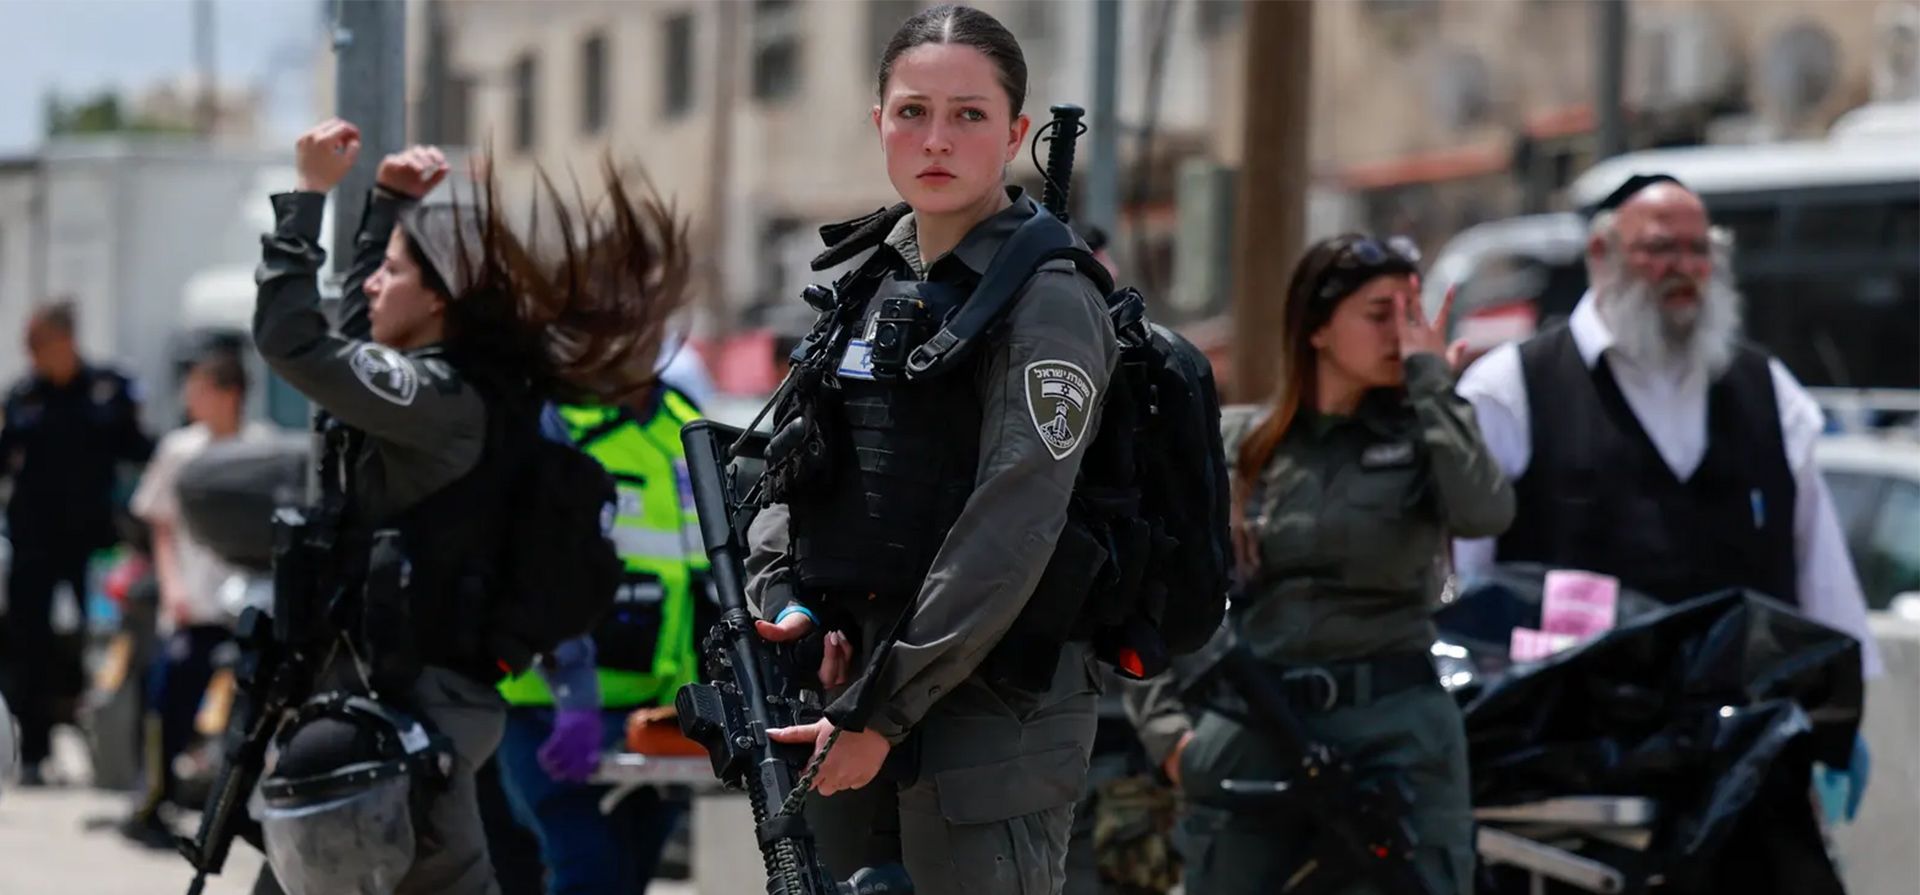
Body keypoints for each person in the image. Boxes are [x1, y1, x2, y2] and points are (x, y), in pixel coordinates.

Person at [248, 120, 688, 895]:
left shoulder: (443, 399)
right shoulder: (452, 388)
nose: (375, 283)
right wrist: (383, 207)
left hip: (416, 713)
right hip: (411, 703)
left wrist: (309, 197)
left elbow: (296, 341)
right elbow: (353, 341)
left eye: (392, 271)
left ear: (443, 297)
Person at [742, 6, 1119, 893]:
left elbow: (1014, 522)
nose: (936, 139)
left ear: (1017, 133)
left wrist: (885, 705)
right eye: (912, 112)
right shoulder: (869, 284)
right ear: (879, 124)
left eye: (969, 114)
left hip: (989, 720)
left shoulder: (1049, 300)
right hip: (851, 697)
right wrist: (791, 606)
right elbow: (790, 476)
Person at [1451, 172, 1881, 813]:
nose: (1683, 269)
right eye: (1659, 249)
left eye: (1698, 250)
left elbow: (1820, 569)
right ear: (1603, 256)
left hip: (1744, 756)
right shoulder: (1513, 389)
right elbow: (1465, 578)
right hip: (1571, 767)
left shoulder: (1769, 391)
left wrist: (1844, 719)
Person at [1175, 234, 1513, 894]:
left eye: (1411, 312)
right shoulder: (1243, 444)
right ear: (1319, 328)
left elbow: (1485, 511)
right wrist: (1170, 738)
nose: (1401, 331)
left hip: (1398, 735)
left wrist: (1433, 383)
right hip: (1262, 722)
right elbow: (1166, 592)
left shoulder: (1428, 433)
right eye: (1380, 312)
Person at [491, 385, 709, 895]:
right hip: (545, 707)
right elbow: (537, 565)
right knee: (588, 873)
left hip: (659, 715)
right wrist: (572, 693)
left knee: (629, 875)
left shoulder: (680, 416)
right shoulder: (553, 417)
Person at [119, 349, 273, 847]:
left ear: (229, 394)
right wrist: (175, 590)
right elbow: (161, 528)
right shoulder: (180, 450)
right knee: (171, 695)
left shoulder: (263, 447)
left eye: (199, 389)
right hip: (196, 604)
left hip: (253, 604)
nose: (189, 399)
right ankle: (152, 798)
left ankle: (240, 808)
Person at [0, 301, 154, 786]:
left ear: (64, 340)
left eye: (37, 343)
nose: (30, 354)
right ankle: (34, 752)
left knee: (107, 647)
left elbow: (142, 452)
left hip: (95, 546)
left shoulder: (108, 391)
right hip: (34, 543)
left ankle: (109, 752)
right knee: (29, 646)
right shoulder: (22, 398)